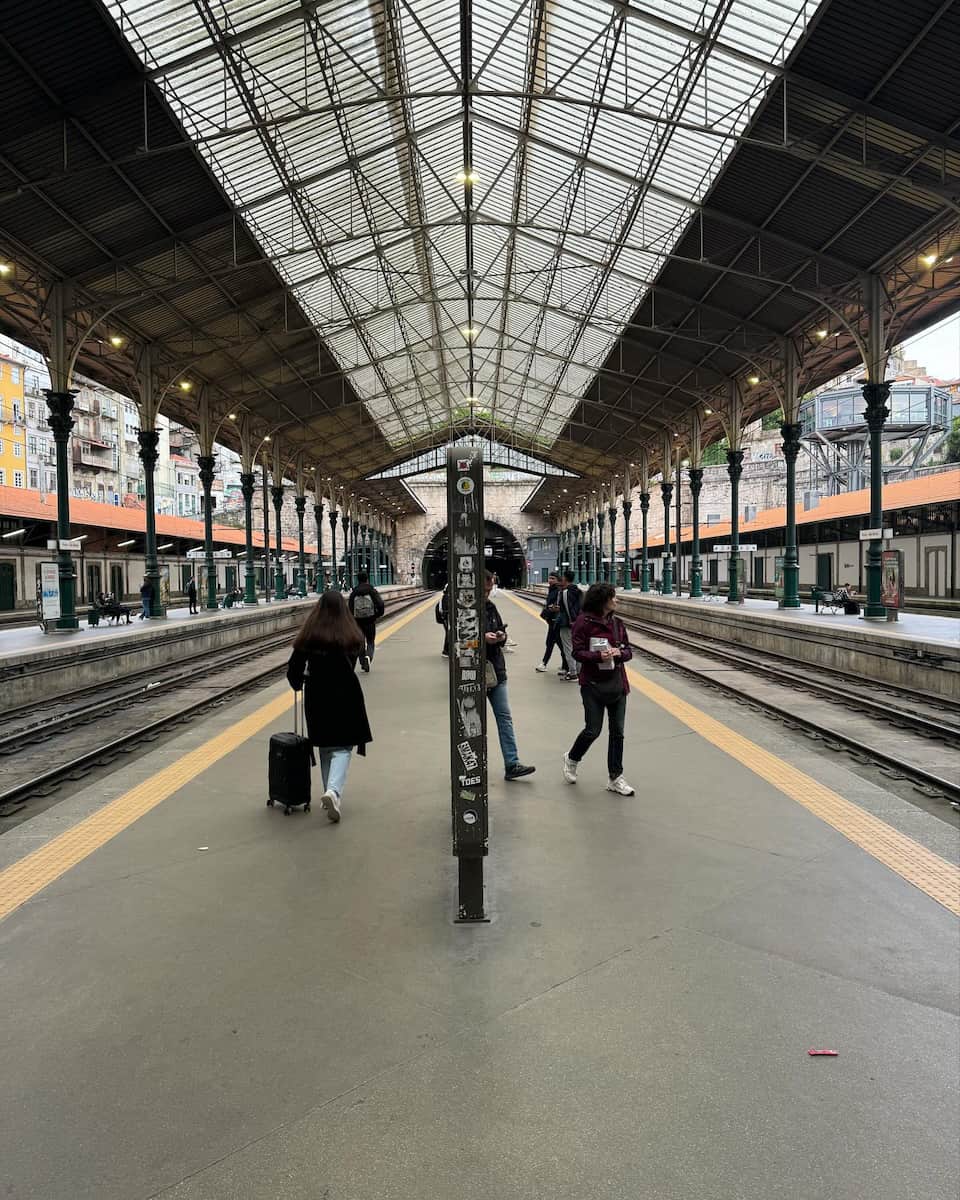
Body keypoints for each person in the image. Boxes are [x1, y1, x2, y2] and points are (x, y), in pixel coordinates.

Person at [286, 591, 372, 823]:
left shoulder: (310, 635)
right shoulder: (352, 633)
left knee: (325, 745)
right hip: (347, 694)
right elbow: (354, 660)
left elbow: (294, 669)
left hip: (318, 695)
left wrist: (298, 681)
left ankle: (330, 793)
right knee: (343, 747)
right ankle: (333, 792)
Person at [562, 582, 635, 796]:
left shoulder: (617, 624)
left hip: (617, 684)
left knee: (618, 733)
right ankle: (572, 758)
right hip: (592, 685)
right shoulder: (583, 623)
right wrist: (597, 656)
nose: (617, 600)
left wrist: (619, 654)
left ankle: (615, 777)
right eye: (613, 597)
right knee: (593, 730)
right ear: (603, 600)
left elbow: (629, 651)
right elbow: (577, 652)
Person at [483, 570, 535, 781]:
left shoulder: (491, 607)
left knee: (505, 718)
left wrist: (501, 636)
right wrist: (481, 638)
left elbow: (500, 633)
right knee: (471, 721)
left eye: (490, 589)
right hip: (470, 673)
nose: (488, 593)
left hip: (496, 670)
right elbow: (455, 639)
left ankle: (512, 764)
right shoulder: (464, 608)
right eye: (485, 589)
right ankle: (472, 766)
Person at [348, 569, 385, 671]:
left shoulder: (354, 592)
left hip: (358, 622)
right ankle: (368, 657)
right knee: (370, 641)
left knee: (360, 642)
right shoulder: (371, 590)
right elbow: (380, 604)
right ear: (367, 578)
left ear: (357, 580)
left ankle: (362, 662)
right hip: (370, 621)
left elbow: (349, 608)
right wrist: (377, 615)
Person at [535, 571, 568, 675]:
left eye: (553, 578)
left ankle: (549, 664)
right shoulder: (552, 590)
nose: (550, 580)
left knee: (557, 644)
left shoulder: (559, 591)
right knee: (552, 643)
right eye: (549, 578)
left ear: (558, 580)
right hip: (552, 621)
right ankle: (562, 665)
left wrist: (554, 609)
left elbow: (560, 606)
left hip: (556, 621)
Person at [555, 569, 582, 680]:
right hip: (578, 624)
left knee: (568, 648)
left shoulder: (565, 592)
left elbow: (567, 607)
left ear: (565, 578)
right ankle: (580, 671)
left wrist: (572, 621)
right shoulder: (578, 590)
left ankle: (573, 673)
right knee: (577, 647)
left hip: (568, 624)